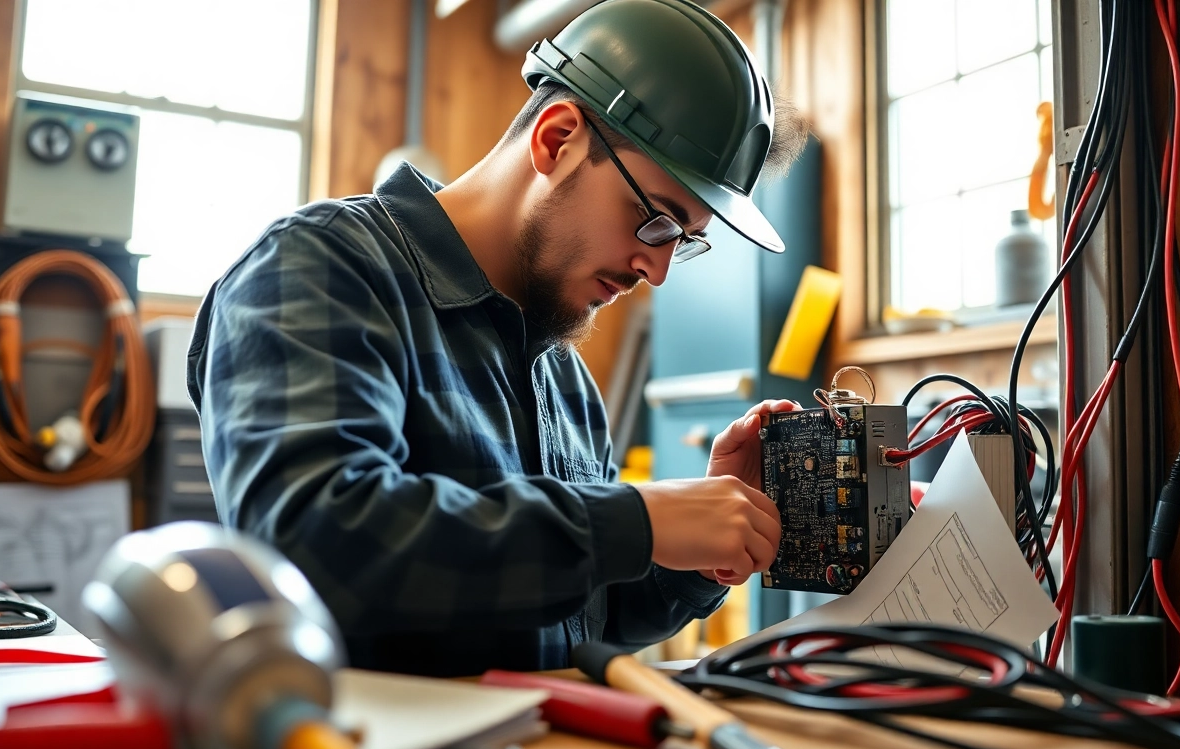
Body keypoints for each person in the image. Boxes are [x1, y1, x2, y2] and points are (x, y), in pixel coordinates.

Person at [187, 0, 810, 676]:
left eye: (684, 243)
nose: (655, 270)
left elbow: (585, 619)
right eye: (655, 221)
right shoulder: (320, 268)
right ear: (558, 139)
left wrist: (704, 547)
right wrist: (635, 521)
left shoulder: (561, 375)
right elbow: (314, 543)